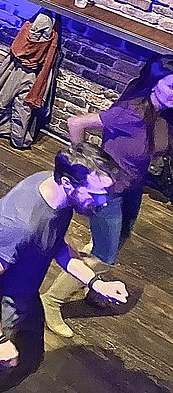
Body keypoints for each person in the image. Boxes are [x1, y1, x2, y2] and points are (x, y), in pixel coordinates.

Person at [0, 145, 128, 393]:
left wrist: (96, 282)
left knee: (29, 360)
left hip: (25, 298)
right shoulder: (19, 224)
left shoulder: (54, 192)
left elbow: (55, 245)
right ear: (67, 182)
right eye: (96, 194)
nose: (103, 202)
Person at [41, 55, 173, 338]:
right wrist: (83, 166)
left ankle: (90, 281)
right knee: (105, 255)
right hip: (108, 190)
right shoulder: (131, 112)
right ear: (154, 85)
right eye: (172, 86)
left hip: (133, 188)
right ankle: (51, 301)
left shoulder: (163, 117)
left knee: (119, 239)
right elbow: (75, 122)